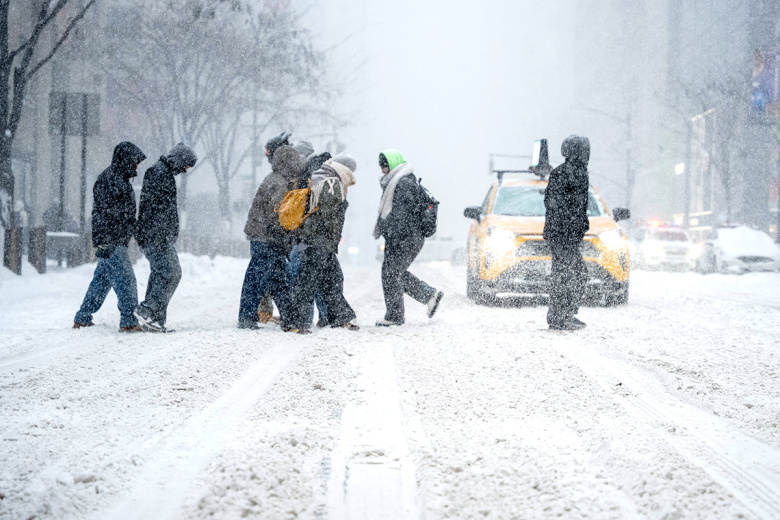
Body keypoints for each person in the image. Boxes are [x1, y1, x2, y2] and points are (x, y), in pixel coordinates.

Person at [73, 142, 147, 332]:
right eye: (134, 162)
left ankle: (82, 317)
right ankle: (129, 320)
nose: (136, 166)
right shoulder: (111, 180)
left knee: (102, 280)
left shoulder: (116, 178)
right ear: (125, 160)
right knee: (126, 280)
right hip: (112, 239)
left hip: (109, 238)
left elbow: (118, 213)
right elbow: (111, 213)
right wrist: (126, 229)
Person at [282, 156, 359, 334]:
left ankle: (339, 318)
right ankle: (294, 322)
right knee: (308, 282)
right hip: (319, 241)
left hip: (316, 240)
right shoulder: (331, 182)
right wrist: (326, 240)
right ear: (345, 169)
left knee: (332, 279)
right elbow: (328, 215)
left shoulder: (321, 177)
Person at [372, 149, 443, 326]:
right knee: (394, 273)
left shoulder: (402, 183)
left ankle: (395, 316)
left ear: (394, 164)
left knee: (391, 273)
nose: (383, 170)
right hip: (407, 237)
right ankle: (429, 295)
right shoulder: (400, 181)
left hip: (407, 238)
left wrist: (392, 234)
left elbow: (402, 217)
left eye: (386, 166)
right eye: (381, 167)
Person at [133, 143, 198, 332]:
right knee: (172, 273)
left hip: (156, 235)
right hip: (156, 236)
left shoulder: (163, 173)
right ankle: (147, 311)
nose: (186, 170)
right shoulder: (159, 173)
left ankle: (155, 320)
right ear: (179, 160)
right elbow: (155, 208)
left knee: (160, 273)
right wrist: (162, 234)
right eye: (186, 165)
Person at [238, 144, 301, 329]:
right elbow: (277, 213)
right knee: (259, 279)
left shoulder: (274, 178)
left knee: (277, 279)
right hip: (265, 238)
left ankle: (289, 318)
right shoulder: (279, 182)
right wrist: (285, 236)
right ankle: (247, 318)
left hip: (263, 237)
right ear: (289, 164)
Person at [543, 135, 591, 330]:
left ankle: (563, 314)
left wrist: (580, 225)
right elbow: (554, 204)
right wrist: (569, 225)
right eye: (584, 150)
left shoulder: (578, 173)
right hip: (562, 235)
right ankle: (560, 315)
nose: (587, 154)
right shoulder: (564, 173)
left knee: (569, 274)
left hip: (567, 235)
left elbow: (579, 207)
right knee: (570, 275)